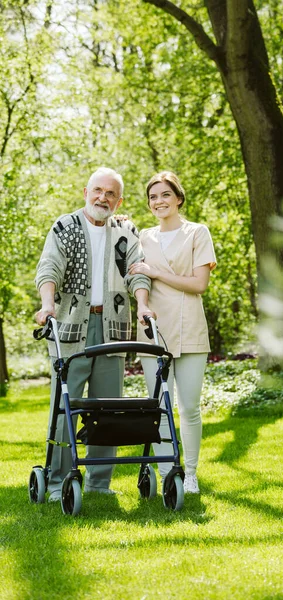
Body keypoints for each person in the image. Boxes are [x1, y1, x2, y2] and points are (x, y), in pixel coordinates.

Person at [35, 167, 154, 502]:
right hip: (71, 328)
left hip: (112, 327)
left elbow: (137, 272)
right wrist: (47, 306)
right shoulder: (65, 226)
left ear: (119, 200)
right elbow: (49, 268)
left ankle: (99, 483)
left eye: (111, 193)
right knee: (65, 408)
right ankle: (57, 480)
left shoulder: (125, 231)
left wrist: (143, 305)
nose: (104, 197)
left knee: (107, 409)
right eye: (98, 190)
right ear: (85, 191)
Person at [129, 171, 216, 494]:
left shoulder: (197, 233)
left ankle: (189, 473)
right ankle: (168, 472)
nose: (158, 201)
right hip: (152, 331)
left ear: (178, 198)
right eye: (153, 197)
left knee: (189, 407)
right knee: (160, 407)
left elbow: (199, 284)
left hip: (190, 327)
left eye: (165, 194)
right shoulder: (143, 238)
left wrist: (156, 272)